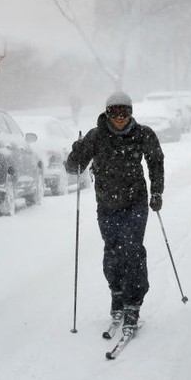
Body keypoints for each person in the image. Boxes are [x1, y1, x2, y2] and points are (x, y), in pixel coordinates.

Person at [65, 91, 164, 335]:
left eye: (125, 112)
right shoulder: (96, 136)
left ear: (131, 112)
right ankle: (117, 295)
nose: (120, 117)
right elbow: (72, 167)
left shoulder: (143, 134)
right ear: (107, 113)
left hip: (135, 203)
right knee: (113, 251)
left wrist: (156, 192)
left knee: (132, 251)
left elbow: (156, 162)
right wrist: (77, 152)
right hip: (107, 204)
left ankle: (133, 304)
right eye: (114, 112)